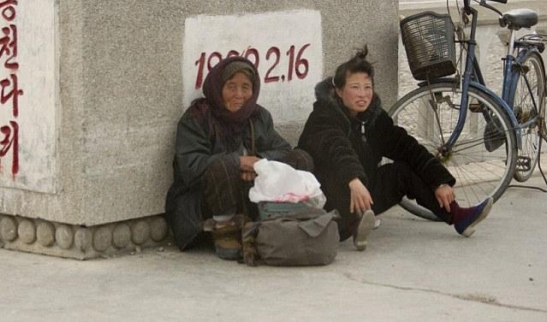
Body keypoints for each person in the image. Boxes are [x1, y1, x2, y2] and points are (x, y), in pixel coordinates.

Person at [297, 47, 492, 251]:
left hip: (363, 195)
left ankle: (458, 216)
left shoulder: (373, 118)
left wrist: (439, 181)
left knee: (402, 171)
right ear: (338, 91)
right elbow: (337, 149)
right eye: (355, 87)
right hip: (326, 202)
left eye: (367, 87)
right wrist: (353, 179)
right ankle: (352, 222)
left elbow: (406, 147)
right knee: (336, 172)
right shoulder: (324, 116)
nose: (363, 94)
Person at [165, 56, 313, 260]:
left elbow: (282, 149)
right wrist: (239, 162)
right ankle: (225, 229)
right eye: (231, 87)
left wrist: (258, 163)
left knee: (300, 158)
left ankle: (281, 219)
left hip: (250, 194)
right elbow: (191, 166)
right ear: (218, 87)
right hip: (205, 202)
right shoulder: (197, 117)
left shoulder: (258, 116)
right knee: (223, 165)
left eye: (246, 87)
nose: (239, 95)